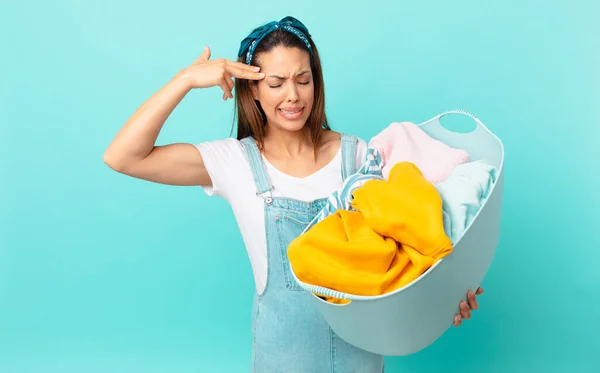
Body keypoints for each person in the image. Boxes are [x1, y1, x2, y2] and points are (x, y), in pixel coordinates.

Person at [103, 15, 484, 373]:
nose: (293, 96)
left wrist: (443, 296)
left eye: (303, 79)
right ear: (252, 90)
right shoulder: (234, 162)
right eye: (276, 83)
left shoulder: (360, 157)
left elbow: (409, 251)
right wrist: (184, 80)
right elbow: (122, 157)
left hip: (362, 361)